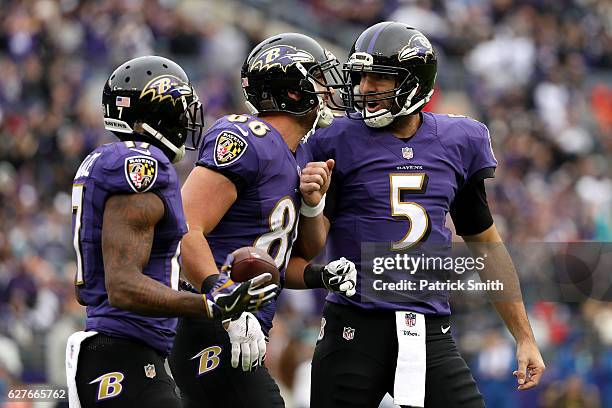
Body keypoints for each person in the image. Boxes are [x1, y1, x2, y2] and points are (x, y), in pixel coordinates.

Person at [303, 22, 546, 408]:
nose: (365, 88)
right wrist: (312, 204)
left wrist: (525, 336)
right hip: (353, 328)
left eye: (379, 78)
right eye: (361, 76)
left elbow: (485, 244)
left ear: (414, 85)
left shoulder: (458, 141)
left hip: (428, 329)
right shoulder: (334, 140)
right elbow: (309, 245)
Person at [66, 56, 278, 408]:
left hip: (124, 355)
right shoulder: (142, 164)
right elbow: (122, 286)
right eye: (181, 109)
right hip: (121, 359)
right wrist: (210, 305)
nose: (186, 120)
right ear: (157, 110)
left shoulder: (108, 159)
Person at [168, 33, 356, 408]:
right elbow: (184, 227)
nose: (326, 90)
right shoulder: (246, 137)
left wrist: (313, 204)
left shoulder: (297, 155)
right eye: (318, 80)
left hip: (239, 327)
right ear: (293, 91)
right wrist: (226, 304)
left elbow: (297, 253)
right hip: (211, 321)